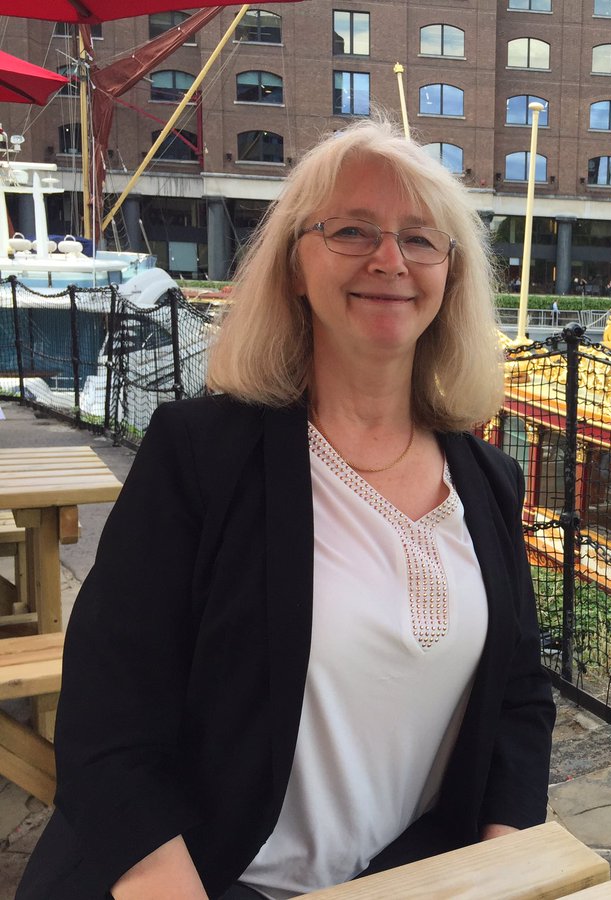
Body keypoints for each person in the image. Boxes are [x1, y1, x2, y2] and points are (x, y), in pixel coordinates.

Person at [19, 117, 555, 899]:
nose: (389, 259)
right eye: (352, 229)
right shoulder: (202, 457)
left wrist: (503, 864)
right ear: (295, 268)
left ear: (452, 273)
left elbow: (518, 695)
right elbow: (110, 712)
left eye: (420, 238)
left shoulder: (488, 480)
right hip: (207, 877)